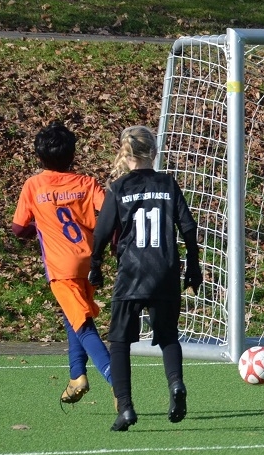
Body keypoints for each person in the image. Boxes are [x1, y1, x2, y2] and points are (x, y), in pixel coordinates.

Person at [89, 126, 203, 432]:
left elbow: (102, 232)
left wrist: (95, 264)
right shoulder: (168, 183)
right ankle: (176, 384)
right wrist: (193, 266)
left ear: (125, 155)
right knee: (168, 336)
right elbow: (188, 227)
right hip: (165, 271)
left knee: (119, 342)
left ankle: (126, 407)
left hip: (131, 273)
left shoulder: (118, 188)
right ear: (153, 152)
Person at [11, 120, 112, 404]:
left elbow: (18, 228)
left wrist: (40, 227)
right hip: (89, 262)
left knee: (84, 326)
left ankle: (117, 382)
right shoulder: (86, 183)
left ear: (39, 156)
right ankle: (77, 375)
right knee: (73, 316)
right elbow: (110, 213)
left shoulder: (33, 185)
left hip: (62, 268)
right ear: (72, 155)